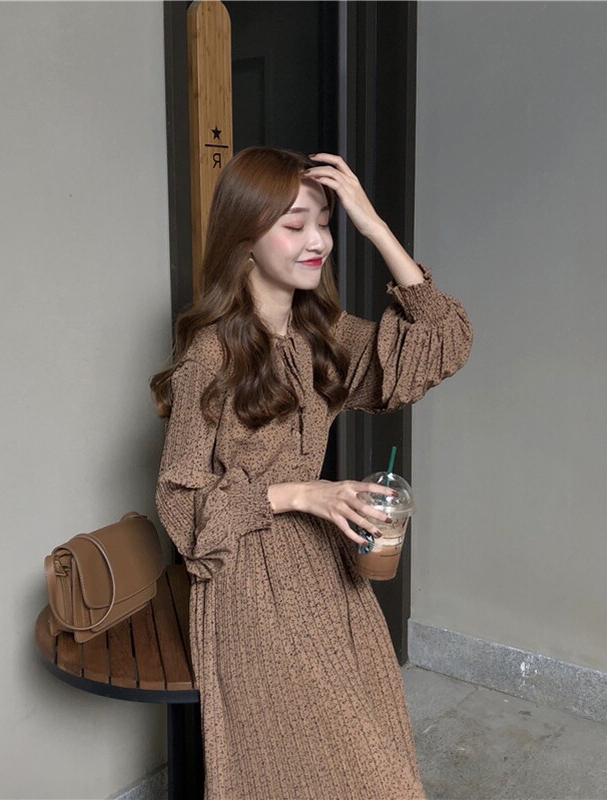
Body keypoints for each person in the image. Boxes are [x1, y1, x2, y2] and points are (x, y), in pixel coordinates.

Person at [151, 147, 473, 799]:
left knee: (377, 758)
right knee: (325, 771)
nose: (318, 240)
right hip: (245, 580)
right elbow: (180, 503)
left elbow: (443, 341)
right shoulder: (211, 355)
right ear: (244, 238)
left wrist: (373, 225)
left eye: (325, 223)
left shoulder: (321, 335)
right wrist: (301, 492)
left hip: (327, 571)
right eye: (294, 224)